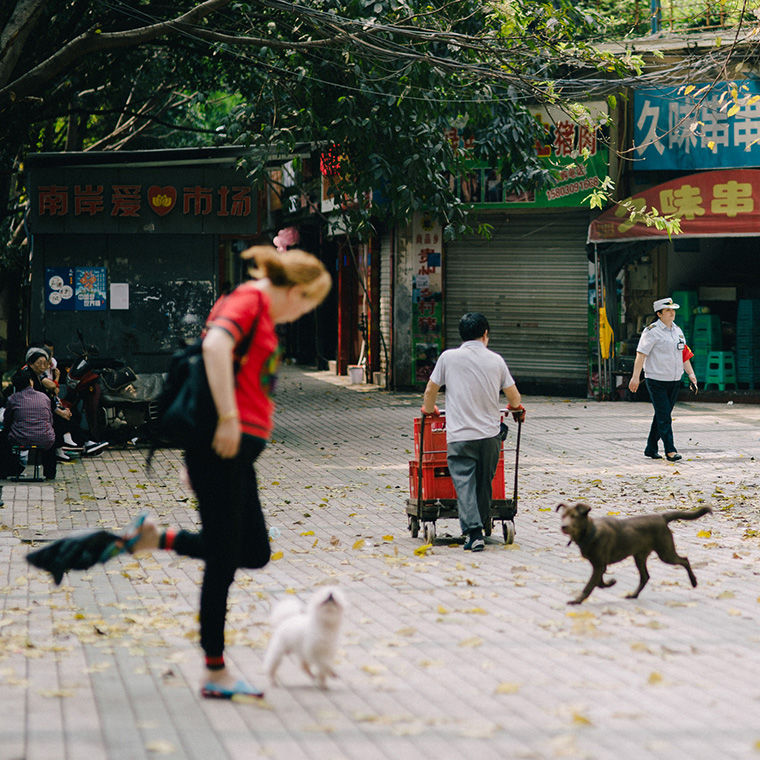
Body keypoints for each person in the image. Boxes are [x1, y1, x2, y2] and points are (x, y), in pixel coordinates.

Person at [128, 245, 331, 700]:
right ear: (295, 291)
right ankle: (215, 672)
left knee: (254, 550)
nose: (301, 314)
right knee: (223, 560)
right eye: (308, 304)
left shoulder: (260, 309)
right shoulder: (249, 301)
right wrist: (227, 419)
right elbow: (214, 345)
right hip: (224, 447)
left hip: (230, 455)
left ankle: (156, 539)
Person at [421, 312, 525, 552]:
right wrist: (516, 408)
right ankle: (482, 524)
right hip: (490, 437)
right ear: (485, 334)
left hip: (460, 436)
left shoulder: (448, 358)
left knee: (464, 483)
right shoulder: (496, 360)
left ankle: (474, 532)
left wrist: (429, 409)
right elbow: (514, 397)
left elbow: (430, 390)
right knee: (484, 483)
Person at [628, 296, 698, 462]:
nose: (672, 313)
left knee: (662, 414)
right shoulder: (651, 332)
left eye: (673, 310)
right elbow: (641, 354)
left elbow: (684, 354)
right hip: (656, 380)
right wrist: (635, 377)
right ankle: (670, 450)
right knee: (664, 416)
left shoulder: (678, 331)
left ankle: (651, 448)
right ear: (659, 314)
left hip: (674, 380)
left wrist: (691, 375)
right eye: (668, 310)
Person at [4, 368, 57, 479]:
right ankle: (50, 473)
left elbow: (7, 420)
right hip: (44, 439)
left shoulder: (12, 399)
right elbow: (50, 420)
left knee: (3, 438)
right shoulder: (44, 397)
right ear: (30, 382)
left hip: (19, 438)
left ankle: (6, 471)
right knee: (51, 439)